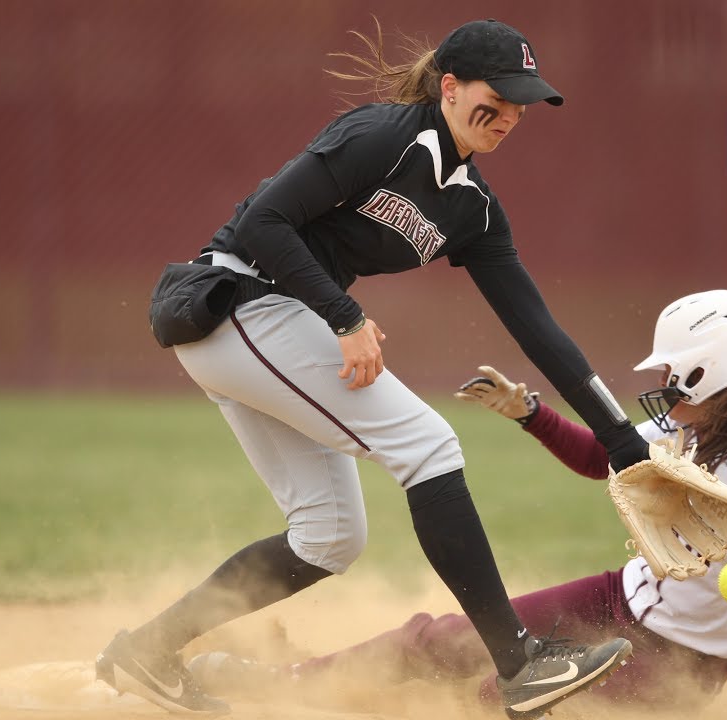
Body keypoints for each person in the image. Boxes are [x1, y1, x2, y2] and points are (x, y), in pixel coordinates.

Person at [95, 18, 651, 720]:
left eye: (521, 103)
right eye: (496, 96)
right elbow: (266, 220)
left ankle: (149, 651)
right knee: (429, 445)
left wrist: (620, 437)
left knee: (329, 536)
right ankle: (520, 663)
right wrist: (345, 318)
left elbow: (538, 331)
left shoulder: (472, 208)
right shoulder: (385, 135)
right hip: (238, 303)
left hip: (269, 325)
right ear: (449, 88)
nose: (509, 114)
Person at [183, 289, 727, 713]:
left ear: (720, 376)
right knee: (451, 641)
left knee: (501, 698)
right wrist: (530, 412)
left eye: (677, 375)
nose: (666, 386)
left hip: (683, 658)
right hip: (618, 596)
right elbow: (599, 458)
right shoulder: (682, 429)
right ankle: (286, 682)